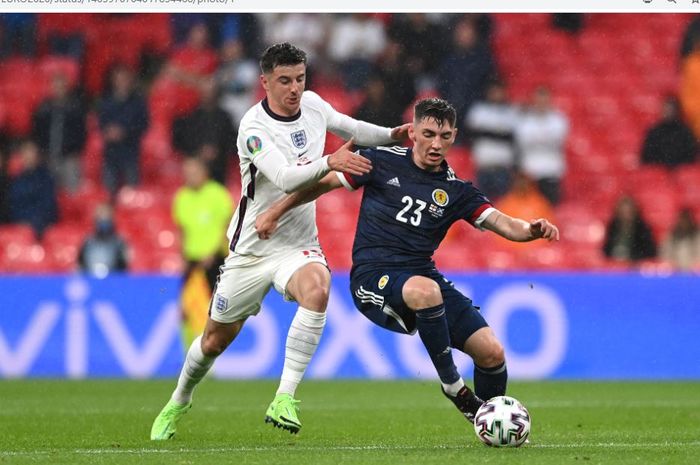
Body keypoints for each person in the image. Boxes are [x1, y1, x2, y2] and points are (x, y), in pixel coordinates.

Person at [150, 42, 410, 440]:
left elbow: (352, 129)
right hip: (252, 247)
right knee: (215, 340)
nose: (294, 88)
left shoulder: (313, 105)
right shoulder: (253, 128)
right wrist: (330, 161)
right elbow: (287, 177)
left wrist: (392, 134)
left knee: (318, 290)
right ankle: (180, 399)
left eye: (300, 79)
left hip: (297, 242)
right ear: (265, 82)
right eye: (284, 80)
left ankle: (285, 397)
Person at [255, 98, 559, 425]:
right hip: (374, 279)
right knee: (427, 291)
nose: (436, 144)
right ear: (412, 132)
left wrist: (531, 230)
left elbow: (503, 223)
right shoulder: (379, 161)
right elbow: (321, 184)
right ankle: (453, 385)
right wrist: (274, 212)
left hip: (422, 277)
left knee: (491, 352)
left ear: (454, 136)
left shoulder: (456, 190)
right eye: (428, 134)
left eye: (444, 136)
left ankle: (490, 423)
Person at [172, 157, 234, 350]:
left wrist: (215, 252)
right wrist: (182, 257)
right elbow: (182, 231)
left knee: (213, 311)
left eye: (194, 173)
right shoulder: (181, 197)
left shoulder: (217, 194)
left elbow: (228, 227)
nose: (190, 177)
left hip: (215, 261)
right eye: (187, 173)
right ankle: (188, 354)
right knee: (186, 310)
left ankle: (209, 354)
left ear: (204, 173)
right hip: (192, 261)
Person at [172, 77, 236, 185]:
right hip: (197, 164)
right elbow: (180, 141)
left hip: (219, 169)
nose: (208, 95)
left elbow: (233, 141)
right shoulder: (191, 117)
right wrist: (199, 151)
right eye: (205, 91)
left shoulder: (224, 117)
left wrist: (218, 151)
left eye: (210, 91)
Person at [98, 64, 150, 197]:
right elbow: (100, 123)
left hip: (130, 154)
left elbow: (144, 125)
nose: (121, 82)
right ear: (113, 81)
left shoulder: (138, 102)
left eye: (124, 78)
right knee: (108, 194)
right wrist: (108, 131)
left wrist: (124, 132)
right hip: (110, 154)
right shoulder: (106, 101)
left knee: (132, 195)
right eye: (118, 78)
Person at [31, 72, 87, 193]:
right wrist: (41, 152)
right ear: (51, 87)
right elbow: (37, 131)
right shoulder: (43, 108)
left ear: (67, 88)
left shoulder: (75, 108)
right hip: (47, 158)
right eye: (56, 86)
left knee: (72, 193)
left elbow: (82, 132)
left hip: (69, 158)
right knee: (48, 193)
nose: (58, 89)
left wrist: (75, 151)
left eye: (61, 86)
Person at [465, 79, 519, 200]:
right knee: (482, 207)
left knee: (503, 207)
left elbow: (512, 137)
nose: (496, 94)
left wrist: (486, 132)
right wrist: (499, 134)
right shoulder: (479, 109)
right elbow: (471, 133)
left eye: (498, 91)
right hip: (484, 166)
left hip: (503, 168)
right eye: (493, 91)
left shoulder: (510, 111)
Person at [515, 86, 569, 205]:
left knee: (549, 207)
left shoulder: (558, 119)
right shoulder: (525, 119)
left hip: (551, 170)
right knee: (529, 206)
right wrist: (545, 137)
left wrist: (536, 138)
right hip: (530, 171)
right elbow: (523, 141)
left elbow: (557, 140)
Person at [8, 140, 58, 239]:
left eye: (31, 152)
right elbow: (13, 205)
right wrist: (21, 222)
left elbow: (48, 207)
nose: (28, 156)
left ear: (37, 155)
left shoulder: (46, 178)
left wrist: (32, 223)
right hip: (19, 225)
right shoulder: (15, 179)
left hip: (40, 227)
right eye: (25, 152)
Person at [640, 96, 697, 168]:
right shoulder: (655, 132)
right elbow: (646, 157)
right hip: (658, 172)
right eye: (666, 109)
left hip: (679, 170)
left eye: (670, 109)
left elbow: (691, 157)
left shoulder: (685, 132)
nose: (667, 112)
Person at [78, 203, 129, 277]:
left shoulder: (119, 242)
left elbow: (125, 268)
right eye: (101, 218)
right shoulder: (88, 242)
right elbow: (80, 265)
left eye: (106, 218)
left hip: (113, 282)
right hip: (91, 281)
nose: (104, 220)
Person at [602, 195, 657, 263]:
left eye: (628, 211)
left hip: (634, 268)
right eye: (623, 212)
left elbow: (649, 253)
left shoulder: (643, 229)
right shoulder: (612, 227)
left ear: (634, 211)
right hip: (614, 267)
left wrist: (631, 259)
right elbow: (606, 250)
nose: (625, 215)